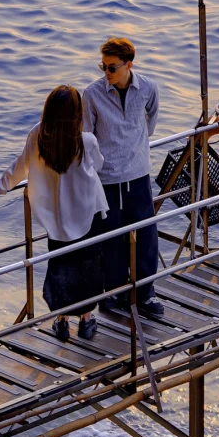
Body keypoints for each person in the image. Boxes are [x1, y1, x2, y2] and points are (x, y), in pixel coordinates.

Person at [0, 85, 107, 341]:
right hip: (87, 213)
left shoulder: (38, 136)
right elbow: (100, 164)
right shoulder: (86, 141)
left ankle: (61, 322)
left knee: (60, 265)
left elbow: (20, 167)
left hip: (57, 216)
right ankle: (85, 320)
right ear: (76, 114)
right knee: (87, 267)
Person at [81, 36, 165, 322]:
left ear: (129, 64)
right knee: (111, 236)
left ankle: (145, 293)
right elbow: (87, 135)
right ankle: (114, 291)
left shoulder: (149, 88)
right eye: (103, 66)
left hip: (139, 172)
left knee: (145, 234)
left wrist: (137, 142)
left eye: (112, 67)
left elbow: (151, 119)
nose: (106, 72)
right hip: (107, 177)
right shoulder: (92, 94)